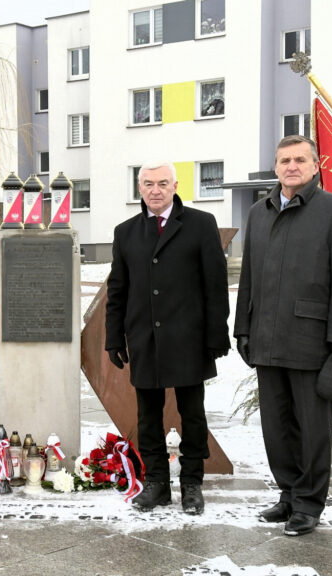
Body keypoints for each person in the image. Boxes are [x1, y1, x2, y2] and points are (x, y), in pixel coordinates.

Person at [234, 135, 332, 536]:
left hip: (312, 342)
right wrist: (242, 330)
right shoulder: (259, 212)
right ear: (275, 167)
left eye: (300, 159)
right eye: (285, 160)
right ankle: (288, 494)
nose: (292, 166)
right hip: (266, 338)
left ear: (315, 164)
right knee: (277, 428)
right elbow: (249, 277)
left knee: (312, 430)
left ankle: (309, 503)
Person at [105, 161, 230, 515]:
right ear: (139, 188)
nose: (155, 190)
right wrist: (114, 338)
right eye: (148, 183)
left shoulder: (200, 224)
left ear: (175, 185)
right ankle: (157, 483)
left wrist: (216, 336)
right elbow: (119, 290)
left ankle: (192, 484)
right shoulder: (125, 232)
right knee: (148, 417)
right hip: (145, 340)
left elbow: (215, 285)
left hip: (189, 340)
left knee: (193, 416)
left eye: (162, 183)